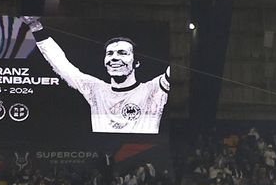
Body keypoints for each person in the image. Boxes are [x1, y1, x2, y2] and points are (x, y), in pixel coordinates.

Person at [23, 16, 171, 133]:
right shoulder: (96, 90)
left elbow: (175, 70)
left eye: (122, 53)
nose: (114, 58)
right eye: (110, 53)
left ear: (136, 62)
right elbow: (62, 65)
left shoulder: (154, 90)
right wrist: (35, 27)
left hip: (143, 153)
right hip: (103, 150)